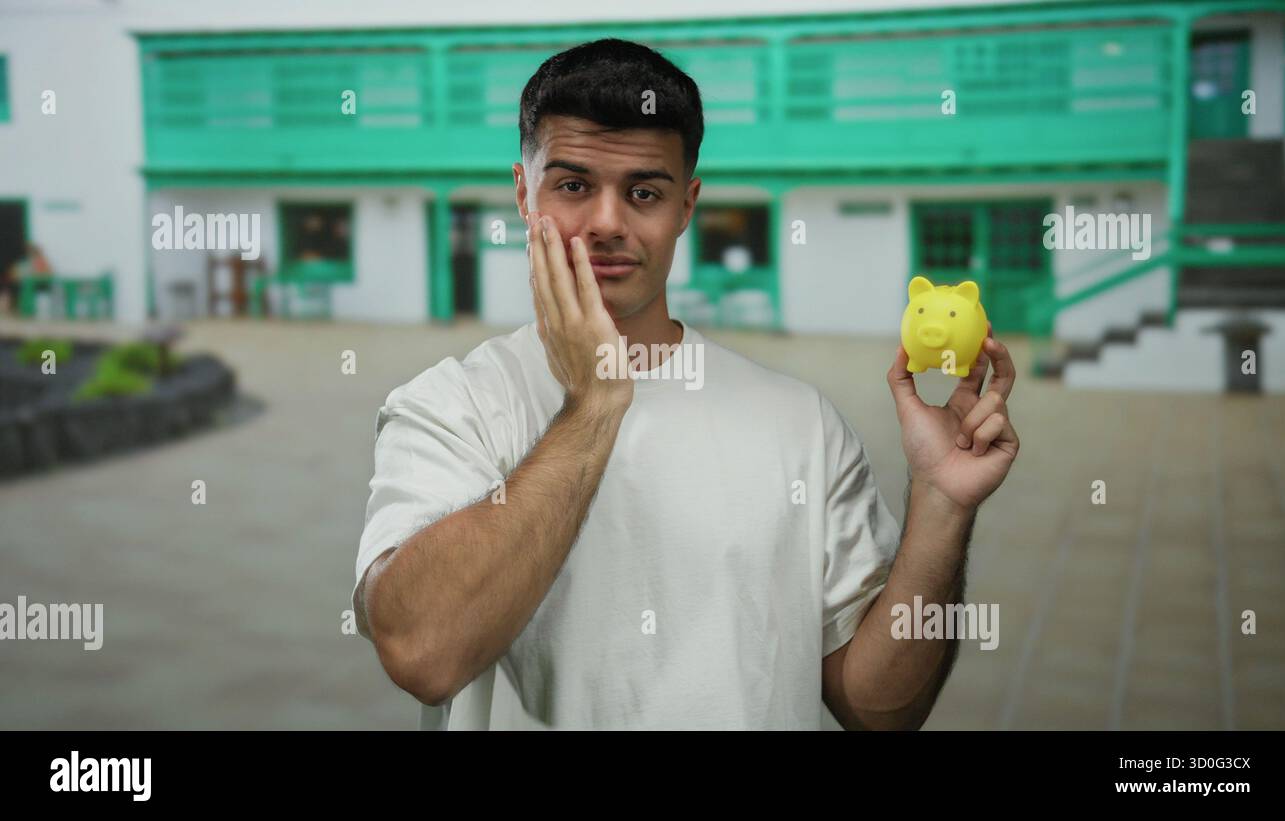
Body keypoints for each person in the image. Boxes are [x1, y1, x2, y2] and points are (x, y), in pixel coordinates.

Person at [352, 39, 1021, 730]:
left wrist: (941, 504)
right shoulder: (448, 408)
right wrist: (594, 404)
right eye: (573, 186)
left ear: (686, 206)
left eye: (644, 192)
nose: (607, 223)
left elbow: (880, 711)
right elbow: (422, 652)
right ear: (525, 194)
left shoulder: (802, 424)